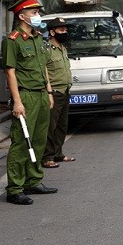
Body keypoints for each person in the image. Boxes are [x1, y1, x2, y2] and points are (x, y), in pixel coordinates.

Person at [2, 0, 57, 206]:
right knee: (21, 142)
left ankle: (33, 180)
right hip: (25, 95)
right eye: (34, 12)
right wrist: (17, 101)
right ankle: (15, 188)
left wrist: (49, 91)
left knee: (39, 140)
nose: (37, 16)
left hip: (42, 95)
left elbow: (43, 66)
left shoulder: (37, 38)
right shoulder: (12, 40)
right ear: (22, 16)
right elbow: (10, 71)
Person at [41, 18, 74, 169]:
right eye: (61, 30)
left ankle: (58, 153)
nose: (65, 32)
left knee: (62, 125)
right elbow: (45, 71)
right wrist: (48, 92)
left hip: (65, 91)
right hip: (53, 92)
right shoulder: (47, 49)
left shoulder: (63, 48)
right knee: (50, 126)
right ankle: (47, 157)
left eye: (65, 30)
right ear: (52, 32)